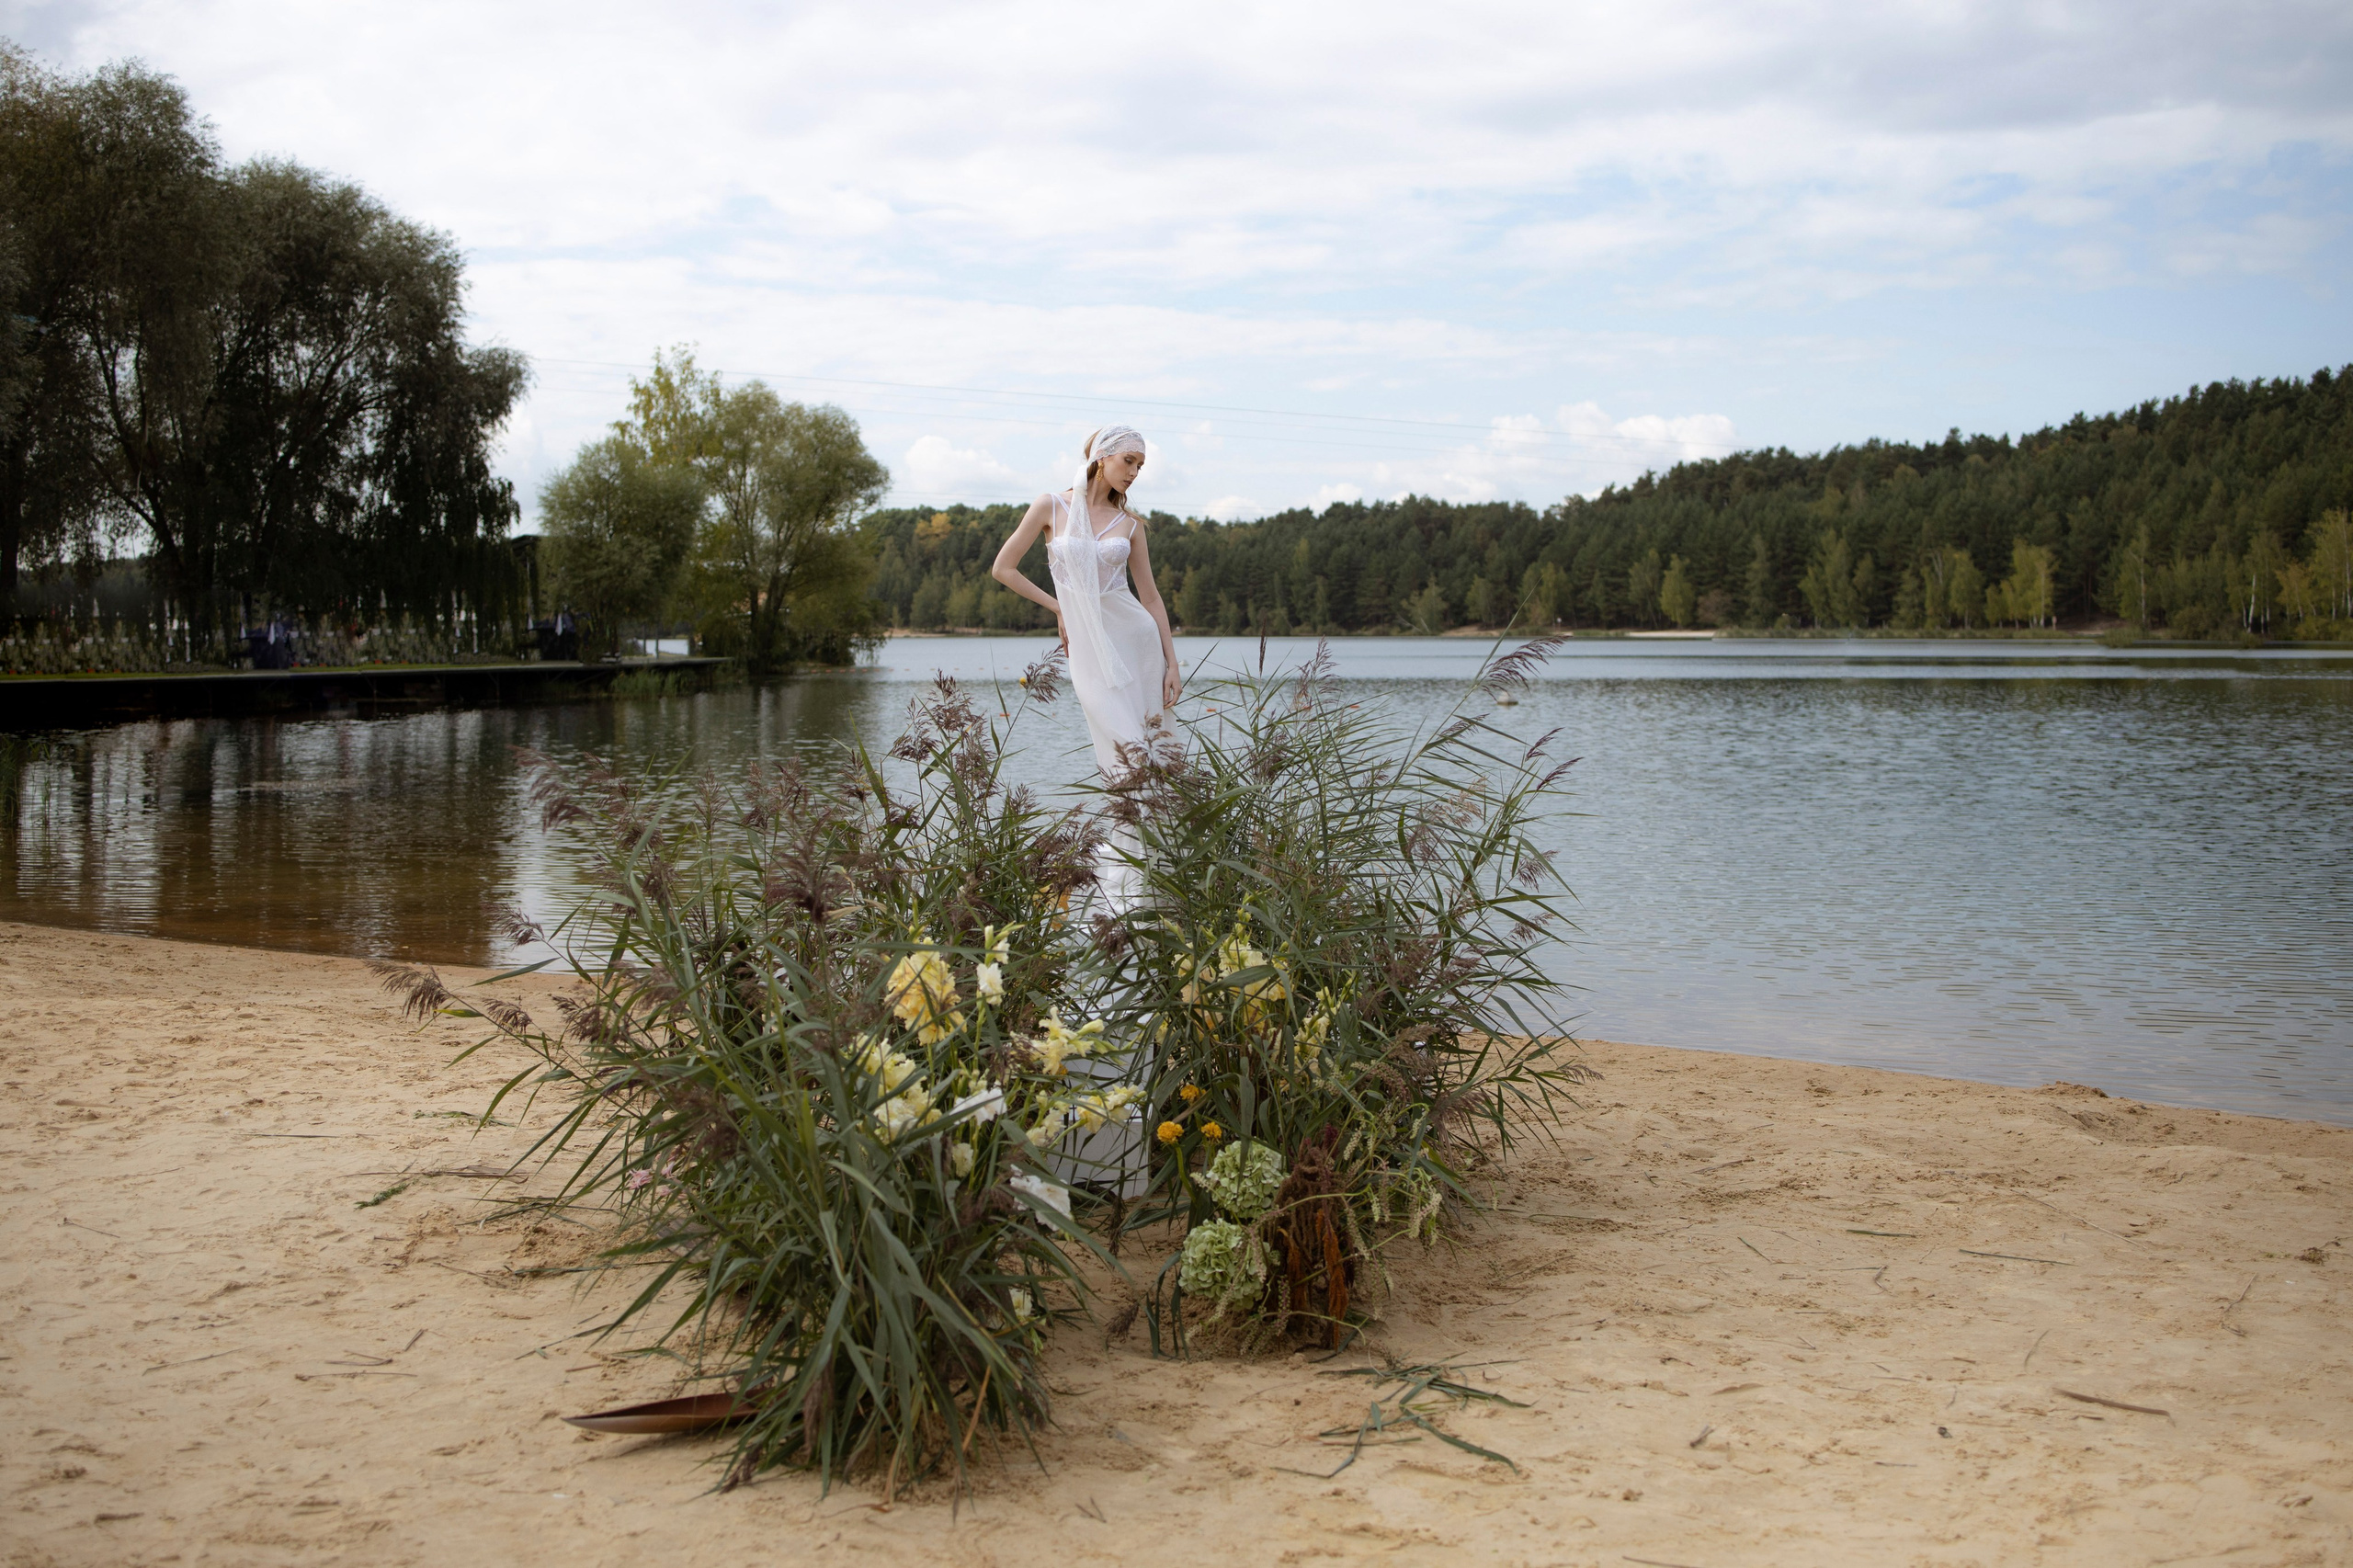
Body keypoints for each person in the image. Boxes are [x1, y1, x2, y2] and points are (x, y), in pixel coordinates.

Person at [991, 425, 1184, 913]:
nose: (1136, 472)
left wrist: (1172, 662)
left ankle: (1148, 886)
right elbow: (1004, 569)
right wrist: (1060, 609)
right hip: (1091, 653)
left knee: (1147, 759)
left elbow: (1152, 596)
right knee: (1124, 760)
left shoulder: (1132, 525)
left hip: (1137, 643)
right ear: (1103, 457)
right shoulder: (1051, 506)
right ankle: (1122, 887)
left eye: (1142, 466)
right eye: (1130, 461)